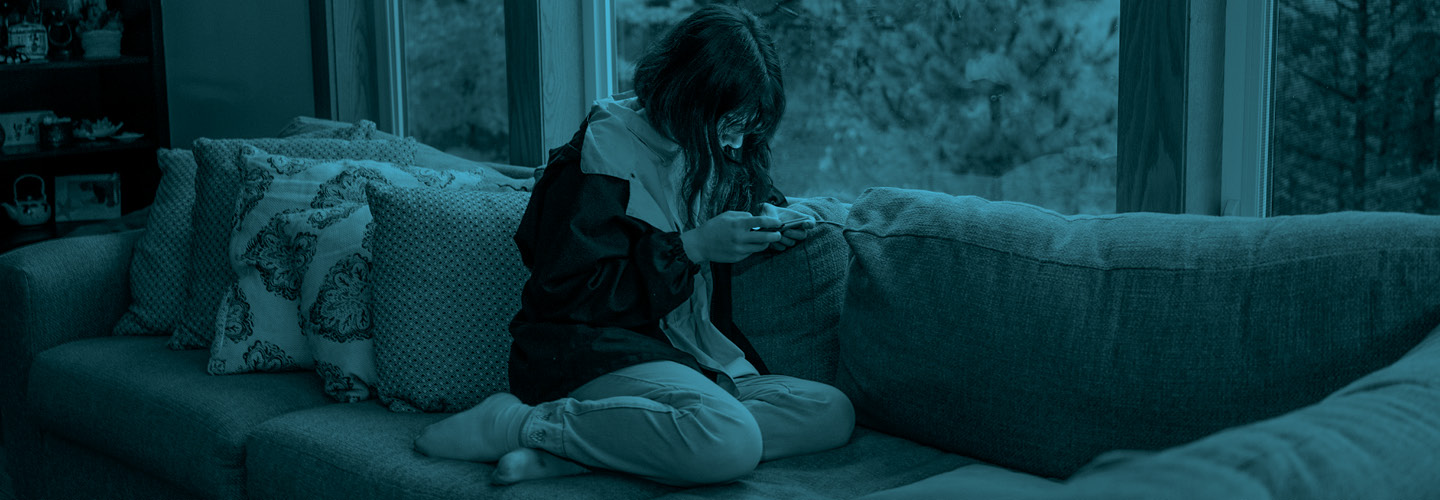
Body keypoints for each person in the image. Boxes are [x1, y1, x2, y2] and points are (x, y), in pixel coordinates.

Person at [413, 4, 855, 486]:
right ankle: (516, 423)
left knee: (831, 411)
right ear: (689, 98)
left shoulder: (718, 147)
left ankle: (587, 449)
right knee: (731, 440)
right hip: (590, 353)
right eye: (729, 124)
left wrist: (771, 222)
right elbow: (570, 295)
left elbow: (746, 193)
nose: (736, 145)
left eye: (748, 128)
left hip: (689, 355)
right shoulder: (596, 160)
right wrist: (691, 248)